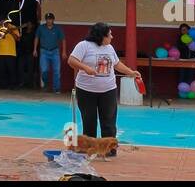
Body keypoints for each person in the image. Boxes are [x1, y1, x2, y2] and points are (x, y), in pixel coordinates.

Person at [66, 22, 144, 155]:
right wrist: (85, 68)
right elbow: (71, 61)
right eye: (109, 34)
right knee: (89, 120)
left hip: (108, 90)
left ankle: (109, 149)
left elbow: (117, 64)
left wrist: (130, 72)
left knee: (108, 121)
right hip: (86, 90)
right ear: (101, 36)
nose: (112, 37)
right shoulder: (84, 45)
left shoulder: (109, 48)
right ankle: (89, 149)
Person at [34, 12, 66, 92]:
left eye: (50, 19)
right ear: (46, 20)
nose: (49, 21)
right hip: (44, 51)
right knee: (44, 70)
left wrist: (64, 52)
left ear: (53, 20)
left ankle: (56, 89)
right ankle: (46, 84)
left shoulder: (58, 28)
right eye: (47, 19)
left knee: (56, 71)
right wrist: (34, 49)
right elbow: (36, 38)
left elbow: (63, 40)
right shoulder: (41, 28)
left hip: (55, 51)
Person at [0, 16, 20, 89]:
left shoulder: (13, 27)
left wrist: (11, 32)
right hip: (0, 52)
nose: (1, 22)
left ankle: (13, 85)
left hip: (11, 52)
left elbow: (18, 39)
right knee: (1, 70)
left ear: (6, 20)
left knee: (11, 70)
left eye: (3, 20)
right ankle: (3, 85)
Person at [18, 17, 38, 87]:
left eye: (30, 24)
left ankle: (30, 83)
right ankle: (22, 82)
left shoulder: (34, 33)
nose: (29, 25)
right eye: (27, 24)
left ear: (32, 25)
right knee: (21, 68)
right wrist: (21, 26)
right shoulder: (22, 33)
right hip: (22, 52)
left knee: (30, 68)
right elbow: (17, 38)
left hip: (30, 52)